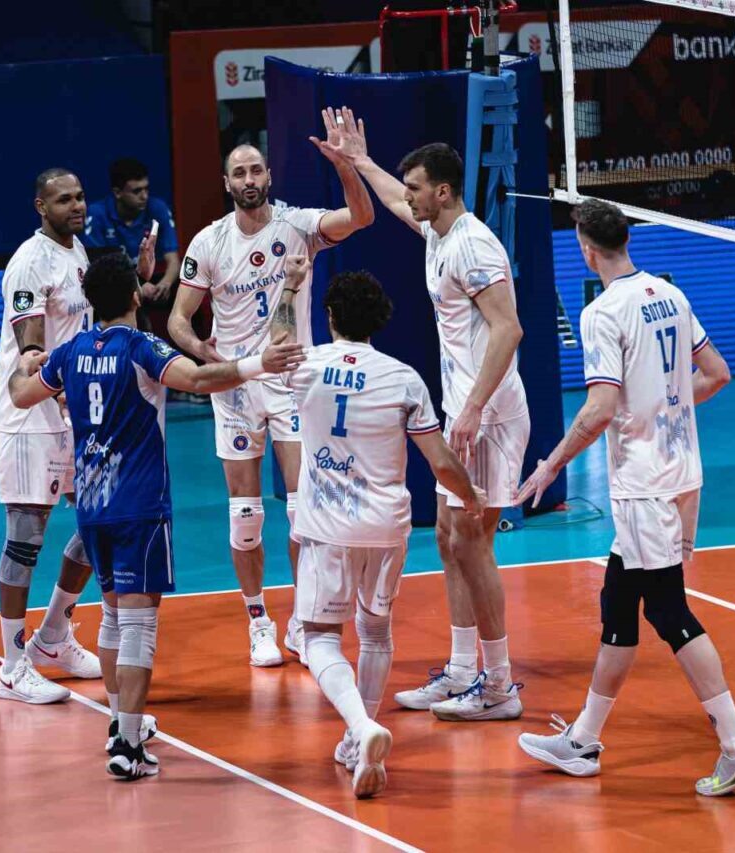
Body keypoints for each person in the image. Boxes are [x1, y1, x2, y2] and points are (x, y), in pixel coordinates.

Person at [7, 252, 306, 780]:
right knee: (139, 624)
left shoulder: (70, 351)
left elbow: (20, 394)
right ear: (133, 295)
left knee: (113, 617)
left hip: (92, 509)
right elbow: (200, 379)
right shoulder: (141, 348)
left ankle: (119, 724)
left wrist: (25, 362)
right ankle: (127, 744)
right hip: (139, 506)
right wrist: (259, 364)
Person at [513, 198, 735, 796]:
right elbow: (717, 373)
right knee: (618, 604)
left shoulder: (602, 312)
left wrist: (551, 464)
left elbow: (600, 409)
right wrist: (662, 410)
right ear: (624, 239)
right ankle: (582, 740)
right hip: (683, 476)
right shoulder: (670, 294)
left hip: (644, 485)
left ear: (586, 249)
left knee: (669, 613)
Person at [332, 108, 527, 721]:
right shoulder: (439, 233)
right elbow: (394, 202)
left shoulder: (472, 245)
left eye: (417, 187)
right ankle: (463, 669)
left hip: (488, 417)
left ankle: (499, 686)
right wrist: (360, 162)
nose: (408, 196)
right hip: (465, 410)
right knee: (448, 538)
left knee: (473, 542)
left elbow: (509, 329)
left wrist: (471, 409)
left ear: (443, 191)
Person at [167, 111, 375, 668]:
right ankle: (258, 620)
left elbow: (361, 216)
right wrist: (202, 351)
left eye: (256, 169)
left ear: (268, 176)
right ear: (227, 183)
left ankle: (304, 622)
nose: (249, 179)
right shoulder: (209, 242)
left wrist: (346, 166)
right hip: (237, 386)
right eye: (239, 173)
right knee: (245, 517)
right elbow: (178, 319)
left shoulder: (297, 225)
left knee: (304, 511)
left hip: (290, 382)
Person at [271, 259, 484, 797]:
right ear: (379, 319)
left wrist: (291, 284)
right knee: (375, 632)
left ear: (330, 316)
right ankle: (355, 742)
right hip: (387, 527)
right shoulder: (403, 377)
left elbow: (277, 342)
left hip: (329, 529)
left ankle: (362, 727)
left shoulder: (308, 365)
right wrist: (470, 495)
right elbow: (440, 459)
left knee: (320, 637)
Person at [0, 168, 105, 704]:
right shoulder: (29, 262)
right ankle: (13, 669)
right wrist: (57, 385)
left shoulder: (77, 251)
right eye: (64, 200)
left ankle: (54, 636)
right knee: (26, 536)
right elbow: (32, 351)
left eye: (80, 197)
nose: (76, 206)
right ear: (41, 206)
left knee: (98, 524)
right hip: (29, 416)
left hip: (70, 411)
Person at [83, 158, 182, 342]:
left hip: (151, 279)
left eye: (146, 189)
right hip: (116, 283)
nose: (144, 196)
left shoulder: (157, 208)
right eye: (137, 191)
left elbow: (173, 260)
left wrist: (165, 284)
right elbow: (101, 270)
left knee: (184, 291)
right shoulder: (97, 215)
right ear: (117, 193)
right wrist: (137, 286)